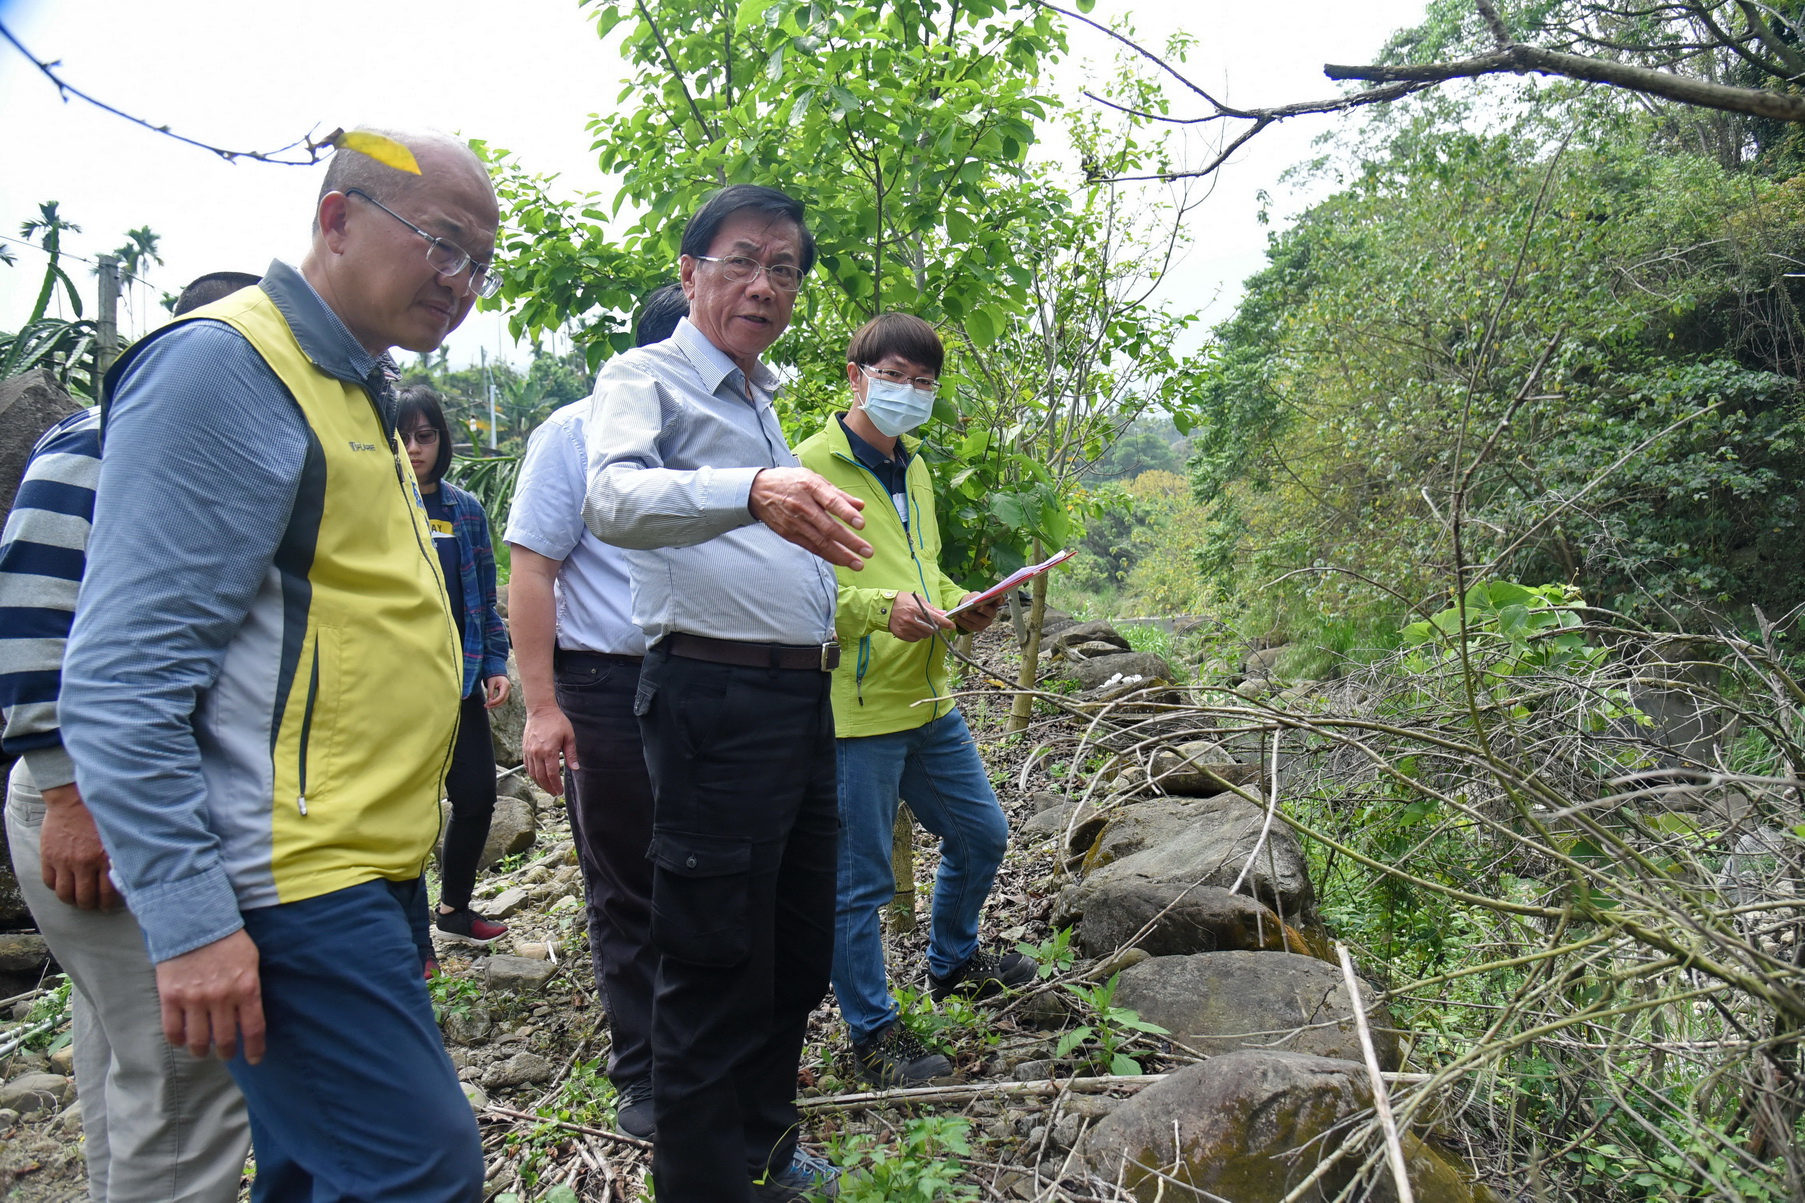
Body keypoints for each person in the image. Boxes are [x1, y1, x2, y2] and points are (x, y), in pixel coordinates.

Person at [59, 130, 497, 1203]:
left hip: (360, 861)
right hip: (290, 876)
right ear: (336, 218)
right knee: (421, 1171)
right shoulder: (226, 366)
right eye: (443, 245)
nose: (461, 282)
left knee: (317, 1172)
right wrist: (194, 920)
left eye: (480, 264)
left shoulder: (353, 383)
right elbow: (121, 677)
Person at [583, 183, 875, 1203]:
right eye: (742, 260)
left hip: (796, 703)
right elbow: (611, 498)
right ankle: (702, 1184)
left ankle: (764, 1152)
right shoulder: (644, 377)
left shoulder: (758, 399)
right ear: (690, 271)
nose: (763, 284)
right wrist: (747, 490)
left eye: (783, 268)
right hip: (712, 699)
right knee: (711, 958)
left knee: (793, 948)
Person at [0, 272, 258, 1203]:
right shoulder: (104, 436)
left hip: (115, 794)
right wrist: (65, 791)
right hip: (103, 801)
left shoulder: (188, 440)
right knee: (185, 1088)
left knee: (131, 1062)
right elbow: (31, 604)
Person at [795, 313, 1030, 1088]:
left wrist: (965, 601)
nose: (909, 392)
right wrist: (877, 610)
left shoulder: (917, 466)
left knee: (982, 833)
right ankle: (872, 1032)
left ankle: (953, 962)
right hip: (859, 708)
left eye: (923, 381)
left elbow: (920, 571)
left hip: (929, 696)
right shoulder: (808, 467)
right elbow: (794, 595)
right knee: (856, 884)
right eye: (893, 376)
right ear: (855, 377)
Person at [503, 286, 688, 1141]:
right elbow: (533, 569)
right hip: (607, 680)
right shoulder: (572, 434)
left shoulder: (727, 438)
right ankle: (643, 1068)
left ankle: (704, 1045)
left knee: (711, 867)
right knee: (625, 876)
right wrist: (542, 705)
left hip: (705, 675)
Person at [394, 385, 513, 944]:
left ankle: (454, 909)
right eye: (403, 437)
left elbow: (484, 596)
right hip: (398, 686)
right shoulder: (380, 504)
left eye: (425, 436)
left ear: (441, 440)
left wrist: (495, 662)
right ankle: (412, 937)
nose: (415, 448)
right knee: (405, 810)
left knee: (476, 797)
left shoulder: (463, 510)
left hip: (460, 680)